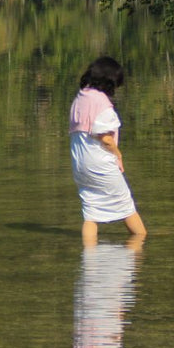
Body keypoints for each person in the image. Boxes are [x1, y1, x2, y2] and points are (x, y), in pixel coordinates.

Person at [69, 56, 146, 246]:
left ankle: (90, 262)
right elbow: (105, 138)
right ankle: (139, 251)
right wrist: (118, 155)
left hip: (79, 163)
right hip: (99, 163)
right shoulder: (102, 104)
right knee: (126, 206)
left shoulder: (80, 98)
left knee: (91, 212)